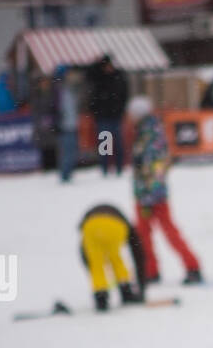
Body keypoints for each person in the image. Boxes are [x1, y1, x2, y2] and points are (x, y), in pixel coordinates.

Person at [128, 96, 202, 284]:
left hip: (152, 195)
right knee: (142, 235)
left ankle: (192, 266)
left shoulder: (151, 134)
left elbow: (156, 167)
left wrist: (148, 194)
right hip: (144, 193)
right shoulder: (143, 132)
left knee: (168, 232)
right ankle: (149, 271)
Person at [78, 202, 146, 311]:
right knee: (116, 259)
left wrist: (88, 264)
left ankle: (101, 298)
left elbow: (83, 252)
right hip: (115, 226)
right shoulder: (128, 226)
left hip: (90, 226)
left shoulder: (93, 213)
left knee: (96, 264)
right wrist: (142, 289)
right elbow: (139, 255)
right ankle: (126, 292)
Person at [87, 54, 129, 176]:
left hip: (115, 116)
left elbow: (124, 94)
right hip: (103, 117)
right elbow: (89, 75)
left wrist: (120, 109)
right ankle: (105, 168)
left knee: (117, 144)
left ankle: (119, 167)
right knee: (105, 145)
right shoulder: (99, 77)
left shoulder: (118, 77)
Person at [54, 65, 80, 183]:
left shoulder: (68, 88)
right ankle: (65, 175)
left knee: (71, 151)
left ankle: (67, 174)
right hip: (64, 126)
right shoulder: (58, 90)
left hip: (71, 124)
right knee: (67, 152)